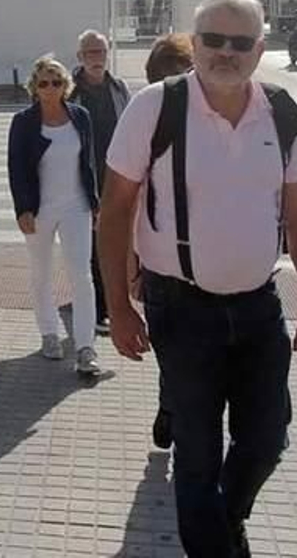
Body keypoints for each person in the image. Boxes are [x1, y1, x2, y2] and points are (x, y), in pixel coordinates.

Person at [98, 0, 297, 558]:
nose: (226, 51)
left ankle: (227, 521)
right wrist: (119, 307)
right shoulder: (155, 105)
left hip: (259, 305)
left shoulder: (281, 113)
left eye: (240, 41)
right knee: (197, 456)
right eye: (213, 39)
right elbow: (116, 209)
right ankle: (218, 543)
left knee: (267, 440)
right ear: (195, 42)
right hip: (180, 306)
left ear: (261, 46)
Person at [9, 55, 103, 378]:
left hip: (76, 206)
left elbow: (88, 163)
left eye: (57, 81)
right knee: (41, 274)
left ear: (66, 85)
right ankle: (49, 333)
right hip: (39, 210)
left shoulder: (80, 116)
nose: (51, 87)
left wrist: (95, 202)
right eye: (44, 82)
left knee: (83, 276)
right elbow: (17, 169)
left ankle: (85, 347)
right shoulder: (23, 122)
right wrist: (22, 208)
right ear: (34, 87)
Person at [139, 31, 196, 451]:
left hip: (205, 265)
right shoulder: (146, 121)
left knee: (183, 352)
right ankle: (172, 407)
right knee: (175, 350)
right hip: (163, 265)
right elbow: (126, 202)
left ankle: (173, 408)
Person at [69, 29, 132, 336]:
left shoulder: (119, 88)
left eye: (101, 52)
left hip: (115, 177)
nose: (97, 58)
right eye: (90, 53)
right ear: (80, 57)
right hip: (80, 179)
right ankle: (100, 309)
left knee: (109, 241)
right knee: (90, 245)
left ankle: (98, 301)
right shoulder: (68, 90)